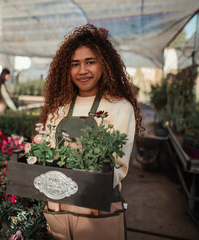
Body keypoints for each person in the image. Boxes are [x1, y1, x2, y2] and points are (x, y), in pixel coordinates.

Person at [40, 23, 143, 239]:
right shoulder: (59, 109)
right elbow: (47, 153)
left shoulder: (119, 107)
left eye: (90, 62)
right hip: (58, 205)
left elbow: (118, 167)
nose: (82, 70)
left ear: (104, 64)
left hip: (97, 207)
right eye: (74, 64)